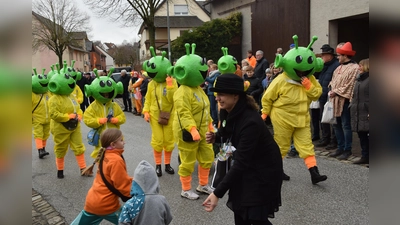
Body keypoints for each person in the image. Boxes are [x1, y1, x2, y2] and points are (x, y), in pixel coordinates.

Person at [203, 73, 282, 225]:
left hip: (263, 170)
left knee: (254, 215)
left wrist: (217, 193)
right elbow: (228, 132)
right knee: (240, 210)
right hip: (247, 166)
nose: (217, 98)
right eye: (216, 94)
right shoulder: (228, 111)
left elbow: (241, 163)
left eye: (221, 94)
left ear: (235, 95)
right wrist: (217, 137)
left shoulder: (251, 122)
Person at [261, 35, 328, 184]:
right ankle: (276, 171)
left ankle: (314, 173)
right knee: (281, 145)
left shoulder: (310, 79)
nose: (303, 71)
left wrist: (309, 87)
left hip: (302, 117)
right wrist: (264, 113)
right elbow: (267, 97)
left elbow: (317, 94)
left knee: (306, 145)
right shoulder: (281, 79)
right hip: (282, 117)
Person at [170, 43, 214, 200]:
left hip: (203, 130)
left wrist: (210, 125)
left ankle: (203, 184)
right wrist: (192, 129)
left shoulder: (198, 89)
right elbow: (183, 112)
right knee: (187, 160)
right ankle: (185, 189)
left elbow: (205, 109)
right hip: (188, 132)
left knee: (207, 156)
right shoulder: (182, 92)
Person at [71, 128, 133, 225]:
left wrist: (132, 180)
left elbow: (112, 178)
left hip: (92, 201)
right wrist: (135, 195)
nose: (124, 142)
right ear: (113, 144)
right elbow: (121, 184)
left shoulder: (105, 154)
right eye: (121, 140)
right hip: (107, 204)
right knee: (130, 222)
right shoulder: (116, 160)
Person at [48, 62, 88, 179]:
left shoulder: (71, 96)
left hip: (75, 126)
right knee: (61, 148)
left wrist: (80, 115)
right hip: (60, 128)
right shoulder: (53, 99)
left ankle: (83, 168)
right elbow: (53, 114)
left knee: (79, 146)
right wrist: (67, 116)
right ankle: (60, 170)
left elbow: (78, 108)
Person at [142, 47, 178, 177]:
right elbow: (148, 99)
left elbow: (172, 98)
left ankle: (167, 164)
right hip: (154, 115)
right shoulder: (152, 84)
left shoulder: (173, 82)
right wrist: (145, 111)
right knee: (157, 140)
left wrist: (169, 86)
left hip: (170, 115)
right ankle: (158, 165)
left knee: (168, 140)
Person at [328, 42, 359, 160]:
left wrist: (336, 91)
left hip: (345, 101)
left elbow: (350, 85)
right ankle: (340, 147)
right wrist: (331, 89)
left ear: (345, 55)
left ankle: (347, 149)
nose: (337, 57)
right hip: (334, 100)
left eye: (339, 55)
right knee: (336, 125)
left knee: (346, 125)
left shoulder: (354, 68)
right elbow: (332, 81)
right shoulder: (338, 68)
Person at [118, 160, 173, 225]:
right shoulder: (162, 200)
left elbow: (122, 222)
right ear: (155, 181)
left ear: (135, 183)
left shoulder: (129, 204)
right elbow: (168, 219)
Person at [314, 44, 340, 148]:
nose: (322, 57)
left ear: (330, 55)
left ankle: (334, 140)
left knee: (332, 119)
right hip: (322, 94)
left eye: (324, 55)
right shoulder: (323, 65)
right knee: (323, 118)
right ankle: (325, 138)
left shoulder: (336, 65)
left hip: (331, 96)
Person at [350, 58, 369, 164]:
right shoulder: (359, 80)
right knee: (362, 135)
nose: (359, 67)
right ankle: (365, 156)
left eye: (361, 66)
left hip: (367, 111)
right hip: (358, 111)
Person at [32, 68, 51, 158]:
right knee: (38, 134)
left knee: (46, 134)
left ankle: (43, 148)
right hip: (37, 118)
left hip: (47, 118)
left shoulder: (47, 93)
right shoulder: (32, 94)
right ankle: (40, 150)